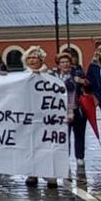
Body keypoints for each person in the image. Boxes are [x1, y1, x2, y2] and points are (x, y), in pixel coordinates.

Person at [22, 48, 59, 188]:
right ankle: (32, 173)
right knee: (30, 145)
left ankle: (50, 174)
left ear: (41, 60)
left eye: (34, 58)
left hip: (47, 116)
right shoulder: (21, 77)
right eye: (29, 58)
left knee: (47, 144)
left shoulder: (50, 75)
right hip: (29, 116)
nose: (32, 60)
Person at [54, 52, 89, 166]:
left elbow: (89, 86)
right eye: (62, 62)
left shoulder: (78, 73)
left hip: (77, 109)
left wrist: (83, 82)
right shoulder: (54, 76)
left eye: (67, 62)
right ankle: (65, 156)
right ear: (58, 65)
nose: (65, 64)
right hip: (61, 111)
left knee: (79, 134)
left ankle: (80, 156)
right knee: (64, 135)